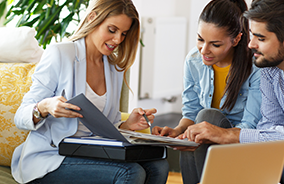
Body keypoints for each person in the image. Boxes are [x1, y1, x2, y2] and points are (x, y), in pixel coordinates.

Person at [11, 0, 169, 183]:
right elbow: (20, 117)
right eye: (112, 30)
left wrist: (127, 125)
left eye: (123, 34)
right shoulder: (60, 54)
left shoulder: (113, 68)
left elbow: (104, 126)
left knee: (159, 165)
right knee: (130, 172)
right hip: (52, 156)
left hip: (91, 153)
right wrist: (44, 107)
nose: (118, 40)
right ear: (93, 18)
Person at [181, 0, 284, 183]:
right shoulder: (270, 68)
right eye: (251, 35)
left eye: (261, 38)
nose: (250, 44)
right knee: (268, 160)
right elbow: (268, 127)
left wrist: (229, 135)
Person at [152, 0, 261, 183]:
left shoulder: (255, 68)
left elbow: (250, 126)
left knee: (206, 118)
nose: (204, 50)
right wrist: (178, 131)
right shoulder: (193, 60)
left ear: (236, 39)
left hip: (241, 145)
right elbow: (191, 112)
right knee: (194, 130)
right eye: (200, 39)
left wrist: (213, 131)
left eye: (215, 44)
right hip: (206, 146)